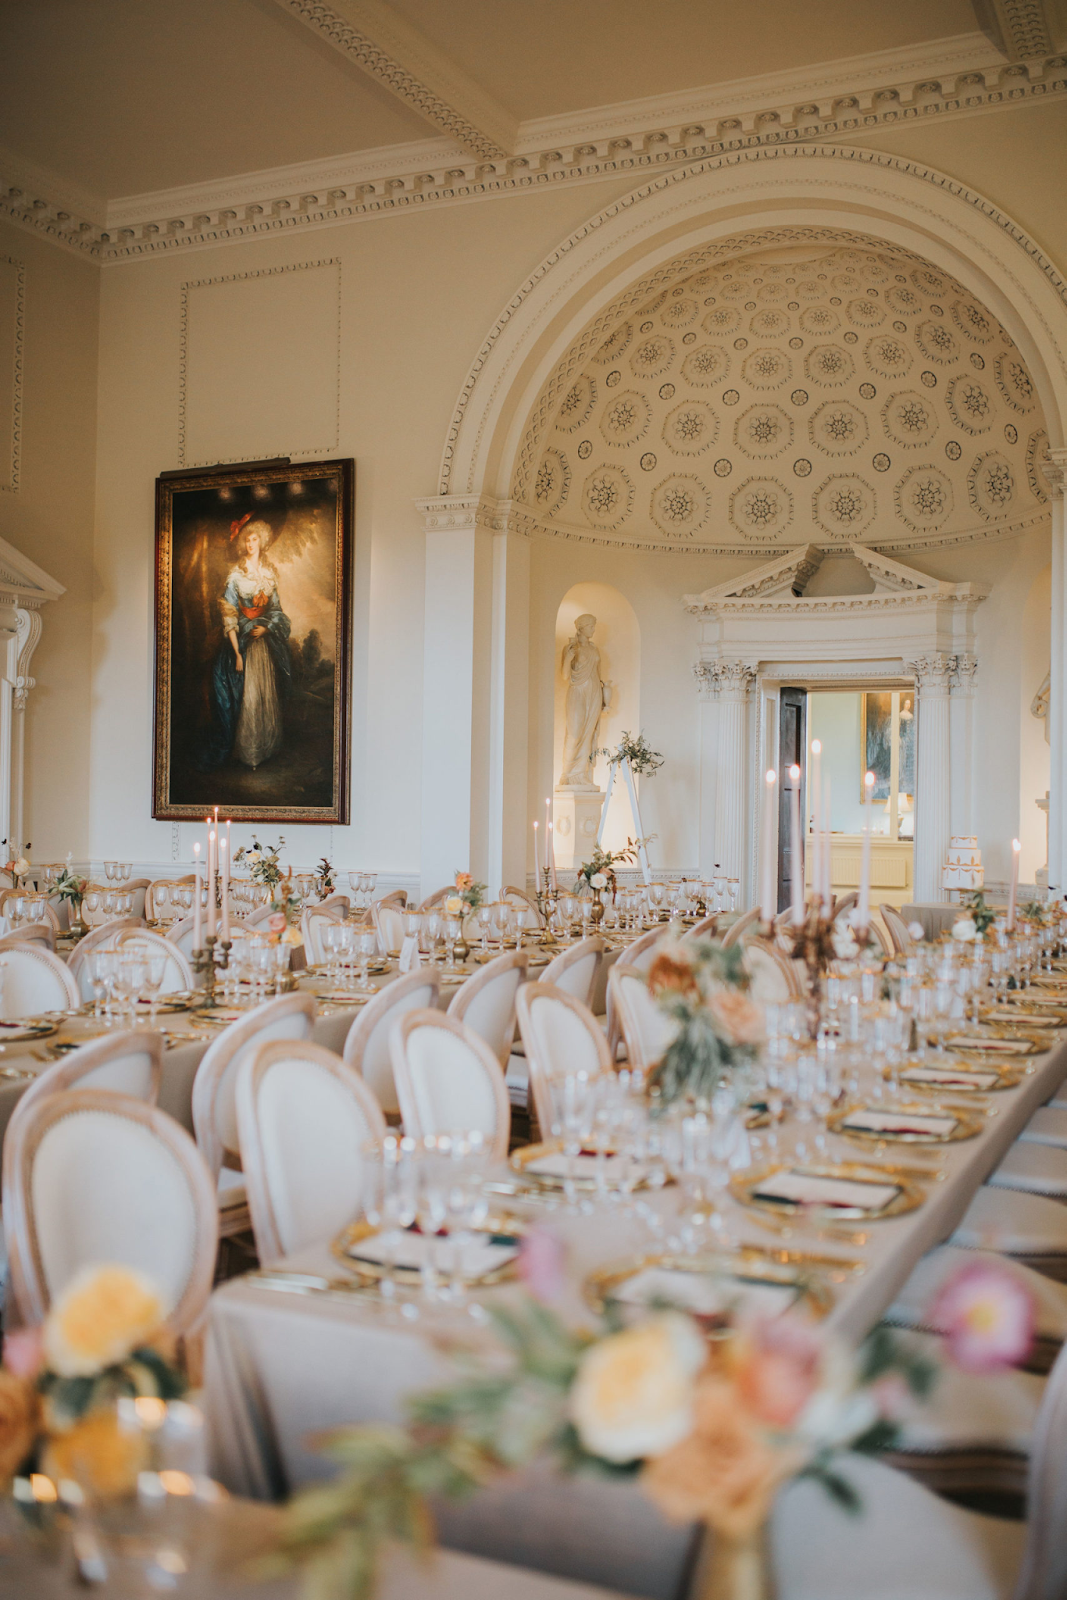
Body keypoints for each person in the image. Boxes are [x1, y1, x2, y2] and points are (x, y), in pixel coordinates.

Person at [201, 519, 292, 769]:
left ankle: (265, 747)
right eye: (247, 540)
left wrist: (268, 627)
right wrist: (237, 653)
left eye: (255, 539)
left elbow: (276, 609)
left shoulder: (269, 574)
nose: (251, 544)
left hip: (263, 644)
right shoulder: (236, 575)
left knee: (264, 694)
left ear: (262, 542)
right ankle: (248, 751)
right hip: (240, 642)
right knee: (246, 695)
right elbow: (229, 614)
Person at [559, 613, 611, 786]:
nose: (593, 629)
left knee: (588, 734)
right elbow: (565, 676)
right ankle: (567, 774)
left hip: (594, 693)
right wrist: (568, 658)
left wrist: (605, 700)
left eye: (594, 626)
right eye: (590, 626)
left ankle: (582, 775)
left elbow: (599, 675)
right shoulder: (571, 647)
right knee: (574, 734)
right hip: (577, 692)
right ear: (580, 627)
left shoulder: (594, 649)